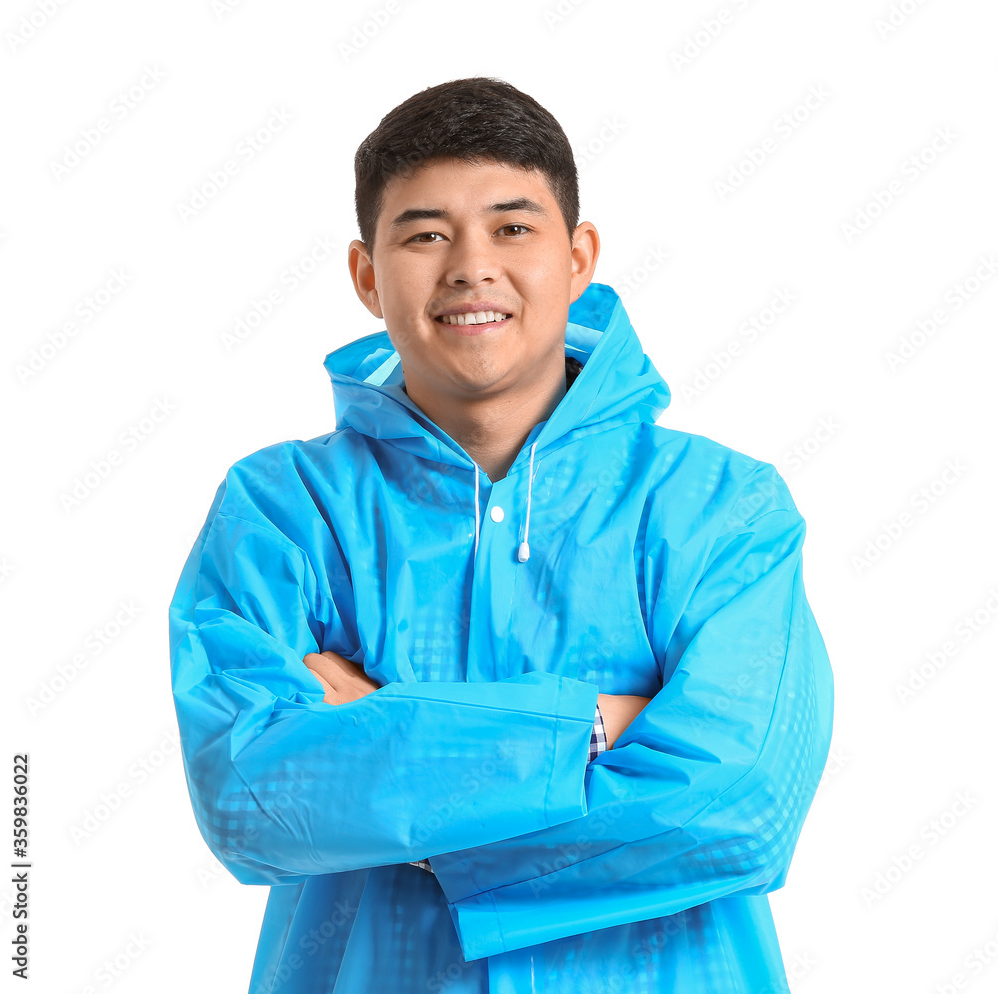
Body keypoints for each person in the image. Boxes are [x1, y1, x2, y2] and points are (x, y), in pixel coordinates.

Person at [169, 76, 834, 993]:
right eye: (426, 233)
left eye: (513, 227)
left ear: (579, 257)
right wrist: (603, 728)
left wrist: (405, 786)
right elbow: (253, 800)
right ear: (367, 275)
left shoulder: (721, 508)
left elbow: (739, 806)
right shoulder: (284, 512)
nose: (470, 266)